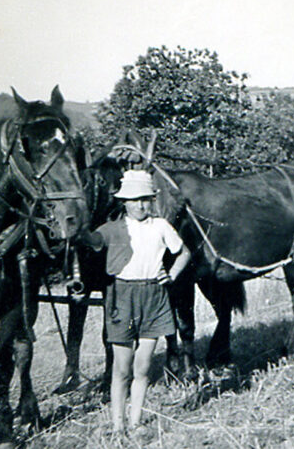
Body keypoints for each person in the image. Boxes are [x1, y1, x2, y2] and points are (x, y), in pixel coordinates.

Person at [81, 169, 190, 435]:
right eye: (134, 199)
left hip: (154, 297)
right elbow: (90, 241)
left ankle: (136, 422)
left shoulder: (161, 226)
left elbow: (183, 252)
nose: (140, 204)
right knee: (122, 368)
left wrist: (172, 274)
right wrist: (77, 225)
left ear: (152, 200)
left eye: (145, 199)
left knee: (142, 367)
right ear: (124, 202)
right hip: (122, 297)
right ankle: (118, 425)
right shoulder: (111, 229)